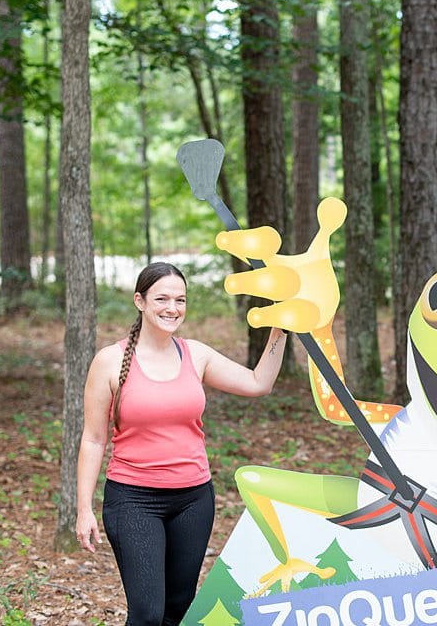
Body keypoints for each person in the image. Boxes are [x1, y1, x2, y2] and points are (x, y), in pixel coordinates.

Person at [76, 262, 287, 626]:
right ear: (139, 301)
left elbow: (258, 383)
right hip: (133, 500)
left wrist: (281, 326)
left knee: (178, 610)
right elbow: (93, 439)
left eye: (180, 300)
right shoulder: (109, 361)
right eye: (162, 298)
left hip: (193, 500)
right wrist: (83, 509)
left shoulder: (196, 354)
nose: (172, 308)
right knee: (147, 614)